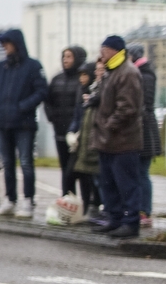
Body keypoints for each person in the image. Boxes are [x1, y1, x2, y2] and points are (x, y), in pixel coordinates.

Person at [0, 29, 48, 218]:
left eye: (7, 43)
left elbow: (41, 91)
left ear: (17, 44)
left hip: (24, 124)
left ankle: (28, 200)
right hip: (2, 122)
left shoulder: (33, 66)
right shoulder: (0, 67)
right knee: (7, 163)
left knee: (26, 162)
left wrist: (23, 107)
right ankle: (9, 200)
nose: (4, 47)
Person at [90, 36, 143, 238]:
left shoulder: (127, 72)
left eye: (104, 49)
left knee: (127, 184)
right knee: (109, 183)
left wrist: (108, 126)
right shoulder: (111, 71)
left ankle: (130, 223)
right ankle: (115, 219)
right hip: (109, 141)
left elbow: (127, 108)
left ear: (114, 50)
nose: (101, 53)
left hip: (123, 141)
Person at [46, 46, 88, 196]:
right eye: (64, 56)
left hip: (77, 135)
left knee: (80, 170)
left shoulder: (82, 79)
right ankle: (67, 199)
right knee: (65, 169)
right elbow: (48, 101)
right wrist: (52, 117)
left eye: (69, 56)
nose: (65, 60)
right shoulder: (57, 79)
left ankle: (87, 202)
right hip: (60, 131)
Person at [128, 43, 161, 227]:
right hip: (140, 130)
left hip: (145, 131)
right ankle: (138, 210)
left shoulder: (145, 75)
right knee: (137, 173)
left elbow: (145, 103)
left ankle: (144, 211)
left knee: (142, 173)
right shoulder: (139, 73)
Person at [66, 62, 101, 216]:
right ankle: (74, 206)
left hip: (90, 141)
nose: (82, 78)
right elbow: (77, 116)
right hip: (80, 140)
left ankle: (91, 206)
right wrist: (71, 131)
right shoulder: (81, 92)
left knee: (89, 177)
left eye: (85, 75)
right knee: (71, 174)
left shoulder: (95, 92)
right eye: (80, 75)